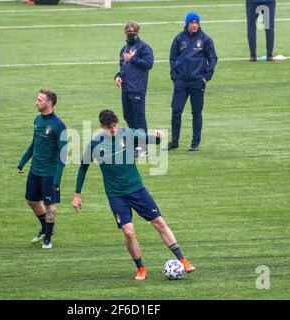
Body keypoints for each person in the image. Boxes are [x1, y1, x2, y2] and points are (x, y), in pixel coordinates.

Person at [72, 109, 195, 280]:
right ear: (102, 126)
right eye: (110, 128)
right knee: (129, 232)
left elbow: (151, 139)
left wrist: (158, 137)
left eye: (115, 126)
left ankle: (183, 260)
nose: (114, 130)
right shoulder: (94, 144)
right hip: (116, 195)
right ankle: (141, 268)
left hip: (137, 189)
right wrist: (77, 194)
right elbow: (83, 168)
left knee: (159, 222)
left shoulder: (127, 134)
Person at [17, 90, 67, 249]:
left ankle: (48, 237)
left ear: (49, 103)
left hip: (49, 173)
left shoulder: (59, 125)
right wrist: (22, 162)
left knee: (49, 204)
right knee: (31, 201)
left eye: (39, 100)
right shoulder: (37, 120)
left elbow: (62, 155)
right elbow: (34, 144)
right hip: (34, 171)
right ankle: (45, 227)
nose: (36, 102)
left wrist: (57, 179)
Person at [164, 12, 218, 152]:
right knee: (176, 111)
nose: (194, 25)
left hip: (197, 82)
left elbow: (212, 58)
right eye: (191, 22)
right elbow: (172, 58)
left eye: (196, 22)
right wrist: (174, 76)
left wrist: (206, 76)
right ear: (187, 24)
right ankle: (175, 141)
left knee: (196, 112)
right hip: (181, 82)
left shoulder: (206, 39)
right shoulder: (179, 39)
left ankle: (195, 143)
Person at [114, 21, 154, 157]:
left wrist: (133, 59)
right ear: (125, 33)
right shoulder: (123, 49)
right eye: (128, 32)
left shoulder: (144, 48)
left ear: (138, 32)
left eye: (134, 32)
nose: (131, 34)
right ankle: (134, 144)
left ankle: (143, 147)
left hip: (137, 88)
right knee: (128, 116)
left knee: (139, 118)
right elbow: (123, 68)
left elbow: (149, 64)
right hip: (125, 88)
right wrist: (118, 76)